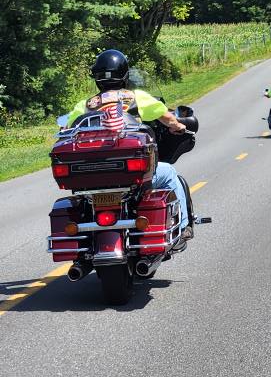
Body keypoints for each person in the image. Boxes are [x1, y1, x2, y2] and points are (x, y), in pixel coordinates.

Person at [65, 49, 193, 242]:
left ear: (97, 78)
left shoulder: (84, 105)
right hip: (131, 177)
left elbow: (68, 129)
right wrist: (179, 126)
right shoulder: (136, 98)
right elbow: (168, 118)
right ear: (124, 75)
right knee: (169, 173)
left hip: (92, 178)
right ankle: (183, 227)